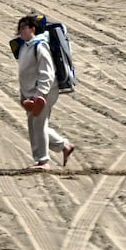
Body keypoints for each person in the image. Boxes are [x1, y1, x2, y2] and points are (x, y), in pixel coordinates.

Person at [14, 14, 75, 170]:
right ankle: (64, 146)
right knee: (36, 125)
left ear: (33, 29)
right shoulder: (24, 47)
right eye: (19, 28)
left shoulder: (40, 46)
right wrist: (23, 97)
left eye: (24, 28)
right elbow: (24, 74)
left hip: (46, 91)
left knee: (39, 124)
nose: (20, 31)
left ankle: (43, 161)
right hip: (31, 93)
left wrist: (40, 94)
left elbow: (47, 73)